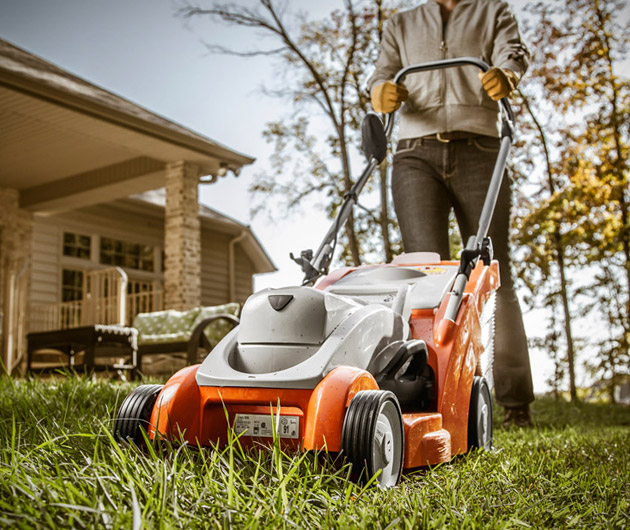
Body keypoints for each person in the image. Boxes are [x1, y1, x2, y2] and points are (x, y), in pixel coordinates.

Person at [367, 0, 534, 426]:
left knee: (493, 273)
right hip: (414, 154)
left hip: (480, 148)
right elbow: (382, 74)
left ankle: (515, 403)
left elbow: (512, 52)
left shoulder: (492, 12)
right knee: (424, 279)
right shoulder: (402, 23)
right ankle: (427, 394)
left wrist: (508, 73)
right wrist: (380, 91)